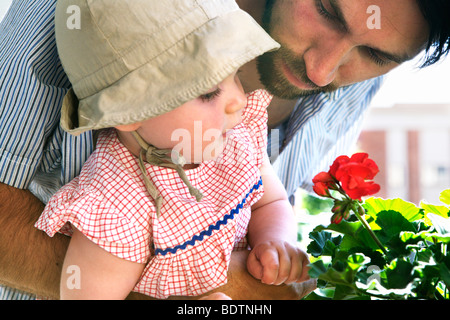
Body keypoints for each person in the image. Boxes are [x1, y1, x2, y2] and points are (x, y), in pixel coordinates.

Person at [0, 0, 449, 299]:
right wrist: (217, 287)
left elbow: (266, 200)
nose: (321, 69)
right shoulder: (99, 14)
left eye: (376, 54)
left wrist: (277, 249)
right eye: (328, 10)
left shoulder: (270, 114)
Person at [33, 0, 310, 300]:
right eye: (208, 93)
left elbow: (268, 202)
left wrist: (276, 242)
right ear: (128, 111)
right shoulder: (120, 207)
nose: (238, 100)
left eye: (235, 74)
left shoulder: (233, 134)